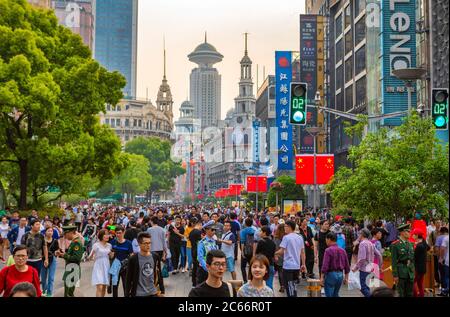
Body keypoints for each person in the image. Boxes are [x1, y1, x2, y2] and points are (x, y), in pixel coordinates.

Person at [274, 220, 306, 297]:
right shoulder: (300, 237)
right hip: (297, 266)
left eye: (285, 226)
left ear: (290, 227)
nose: (284, 228)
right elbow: (303, 252)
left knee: (289, 287)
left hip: (288, 266)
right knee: (293, 286)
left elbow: (281, 251)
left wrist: (274, 253)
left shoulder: (286, 237)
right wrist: (303, 264)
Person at [124, 232, 161, 297]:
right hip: (138, 293)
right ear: (139, 244)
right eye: (146, 243)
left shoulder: (155, 256)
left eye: (149, 243)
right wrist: (127, 294)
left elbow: (159, 273)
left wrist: (162, 289)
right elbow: (128, 278)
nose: (148, 245)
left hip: (153, 292)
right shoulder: (133, 259)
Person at [55, 225, 84, 297]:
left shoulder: (77, 243)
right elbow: (70, 256)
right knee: (67, 292)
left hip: (73, 269)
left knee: (69, 293)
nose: (65, 236)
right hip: (70, 268)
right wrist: (62, 255)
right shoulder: (73, 242)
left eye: (65, 234)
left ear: (71, 233)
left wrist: (64, 255)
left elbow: (76, 258)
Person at [353, 228, 382, 297]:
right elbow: (379, 255)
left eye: (359, 234)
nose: (358, 236)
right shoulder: (370, 243)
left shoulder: (363, 244)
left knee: (362, 287)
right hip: (371, 268)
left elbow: (362, 258)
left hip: (364, 269)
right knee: (367, 286)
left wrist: (355, 267)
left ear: (362, 235)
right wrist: (379, 266)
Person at [321, 232, 350, 297]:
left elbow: (325, 266)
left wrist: (322, 277)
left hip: (331, 275)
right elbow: (347, 266)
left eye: (326, 239)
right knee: (335, 294)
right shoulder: (343, 250)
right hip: (340, 275)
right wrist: (346, 278)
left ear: (329, 239)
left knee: (329, 294)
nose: (326, 241)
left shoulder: (328, 250)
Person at [390, 224, 415, 297]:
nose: (410, 233)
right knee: (401, 294)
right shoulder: (395, 245)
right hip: (401, 272)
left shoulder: (410, 244)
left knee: (410, 294)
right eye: (408, 231)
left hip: (410, 272)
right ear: (402, 233)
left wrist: (413, 270)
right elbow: (393, 261)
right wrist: (395, 275)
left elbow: (412, 259)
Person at [110, 225, 134, 297]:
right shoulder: (113, 242)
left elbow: (131, 255)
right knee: (114, 286)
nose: (118, 235)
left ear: (124, 233)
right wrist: (111, 254)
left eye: (120, 233)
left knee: (126, 286)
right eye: (117, 233)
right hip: (115, 267)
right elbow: (111, 256)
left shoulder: (128, 243)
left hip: (125, 267)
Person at [89, 229, 113, 297]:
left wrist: (112, 254)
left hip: (106, 265)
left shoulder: (109, 245)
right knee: (100, 287)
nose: (107, 236)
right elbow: (90, 257)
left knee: (104, 287)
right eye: (105, 234)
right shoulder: (96, 245)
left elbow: (111, 257)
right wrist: (92, 254)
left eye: (108, 234)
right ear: (101, 236)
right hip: (98, 266)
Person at [147, 216, 167, 294]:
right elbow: (164, 242)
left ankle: (153, 286)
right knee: (158, 268)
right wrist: (165, 252)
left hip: (151, 251)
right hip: (160, 251)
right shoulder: (162, 229)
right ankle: (162, 288)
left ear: (152, 221)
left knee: (152, 269)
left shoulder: (149, 230)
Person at [196, 220, 219, 285]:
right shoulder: (202, 242)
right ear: (206, 230)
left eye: (215, 230)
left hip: (213, 268)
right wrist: (208, 269)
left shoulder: (214, 241)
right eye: (212, 230)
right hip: (204, 270)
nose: (214, 232)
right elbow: (200, 258)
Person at [40, 226, 60, 297]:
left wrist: (57, 252)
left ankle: (49, 293)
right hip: (43, 260)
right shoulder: (42, 240)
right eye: (48, 231)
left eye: (51, 231)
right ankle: (44, 290)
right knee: (43, 277)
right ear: (45, 232)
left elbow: (57, 250)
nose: (50, 232)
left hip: (52, 259)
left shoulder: (55, 241)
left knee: (51, 277)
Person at [412, 228, 430, 297]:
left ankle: (415, 295)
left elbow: (414, 257)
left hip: (417, 268)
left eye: (414, 234)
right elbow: (429, 248)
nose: (412, 236)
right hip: (423, 267)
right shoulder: (424, 242)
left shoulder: (419, 246)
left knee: (412, 283)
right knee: (420, 283)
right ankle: (421, 295)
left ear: (417, 235)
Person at [240, 217, 256, 283]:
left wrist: (242, 252)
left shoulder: (243, 231)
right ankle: (251, 279)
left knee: (243, 267)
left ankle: (245, 280)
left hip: (245, 250)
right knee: (251, 266)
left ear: (245, 223)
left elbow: (242, 242)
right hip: (252, 250)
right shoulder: (255, 230)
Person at [189, 218, 202, 286]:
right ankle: (197, 282)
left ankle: (194, 283)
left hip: (193, 250)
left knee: (195, 267)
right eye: (201, 225)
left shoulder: (191, 232)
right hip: (197, 251)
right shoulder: (198, 232)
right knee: (198, 267)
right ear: (199, 224)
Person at [273, 221, 286, 293]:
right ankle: (286, 285)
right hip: (286, 256)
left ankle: (282, 286)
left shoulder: (276, 238)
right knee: (285, 272)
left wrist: (275, 255)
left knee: (280, 271)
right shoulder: (286, 237)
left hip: (278, 255)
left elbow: (275, 247)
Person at [438, 227, 449, 297]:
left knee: (447, 277)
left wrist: (441, 258)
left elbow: (442, 249)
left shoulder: (447, 238)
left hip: (448, 261)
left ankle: (445, 290)